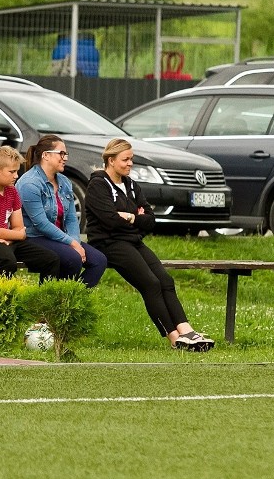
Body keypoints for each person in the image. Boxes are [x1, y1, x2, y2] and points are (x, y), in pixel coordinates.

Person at [85, 138, 215, 351]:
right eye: (125, 160)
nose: (130, 164)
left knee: (165, 280)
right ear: (110, 160)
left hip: (132, 241)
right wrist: (133, 218)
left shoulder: (131, 185)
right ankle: (175, 339)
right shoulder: (98, 185)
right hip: (109, 243)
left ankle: (187, 331)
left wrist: (132, 218)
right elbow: (109, 220)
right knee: (150, 284)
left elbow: (150, 220)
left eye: (131, 159)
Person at [16, 135, 106, 287]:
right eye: (61, 154)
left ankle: (74, 301)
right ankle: (51, 301)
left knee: (99, 261)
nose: (65, 158)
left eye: (66, 154)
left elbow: (71, 218)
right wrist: (71, 243)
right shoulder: (29, 184)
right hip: (35, 237)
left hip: (61, 237)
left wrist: (75, 242)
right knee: (73, 259)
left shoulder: (64, 182)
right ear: (46, 155)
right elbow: (41, 224)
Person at [0, 146, 60, 283]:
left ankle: (44, 301)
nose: (16, 176)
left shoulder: (12, 191)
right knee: (8, 261)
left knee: (51, 259)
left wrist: (10, 239)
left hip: (5, 239)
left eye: (17, 171)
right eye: (12, 172)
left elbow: (18, 226)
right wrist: (18, 235)